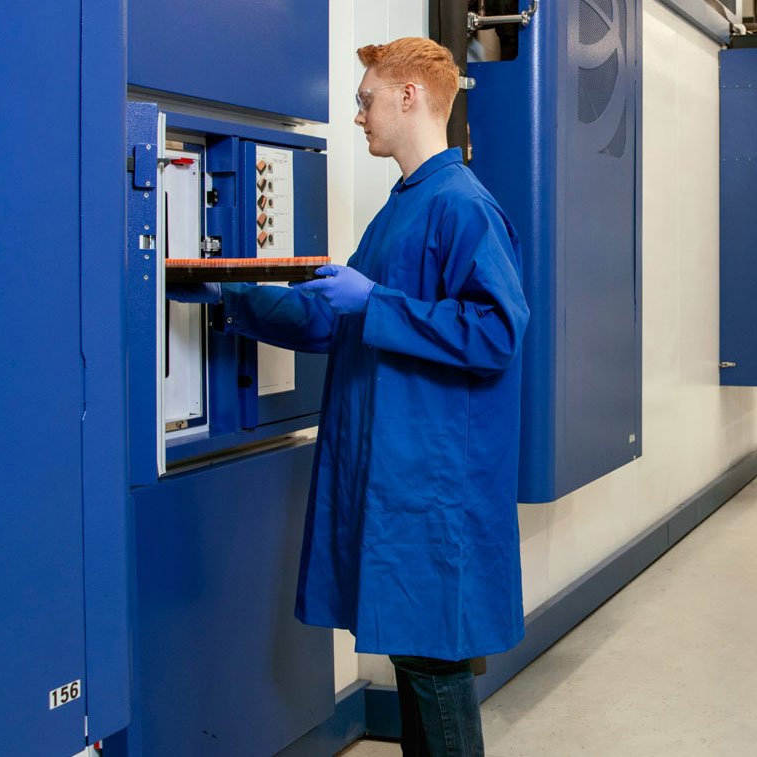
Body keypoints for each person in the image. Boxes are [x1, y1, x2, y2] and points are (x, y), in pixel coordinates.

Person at [168, 37, 527, 757]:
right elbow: (333, 317)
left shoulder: (461, 206)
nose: (358, 115)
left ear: (409, 97)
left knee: (434, 662)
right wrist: (226, 296)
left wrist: (378, 301)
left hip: (431, 485)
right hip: (395, 478)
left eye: (366, 99)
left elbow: (496, 331)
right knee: (416, 655)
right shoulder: (403, 207)